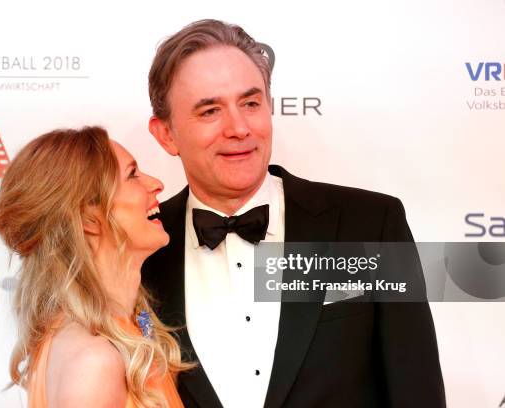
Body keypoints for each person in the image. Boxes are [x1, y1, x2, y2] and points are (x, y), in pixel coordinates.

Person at [142, 19, 446, 407]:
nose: (238, 128)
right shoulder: (140, 247)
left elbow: (416, 390)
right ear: (165, 133)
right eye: (209, 111)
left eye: (250, 103)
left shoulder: (369, 224)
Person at [0, 126, 191, 408]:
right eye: (132, 175)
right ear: (89, 217)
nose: (156, 183)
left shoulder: (131, 324)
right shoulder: (94, 364)